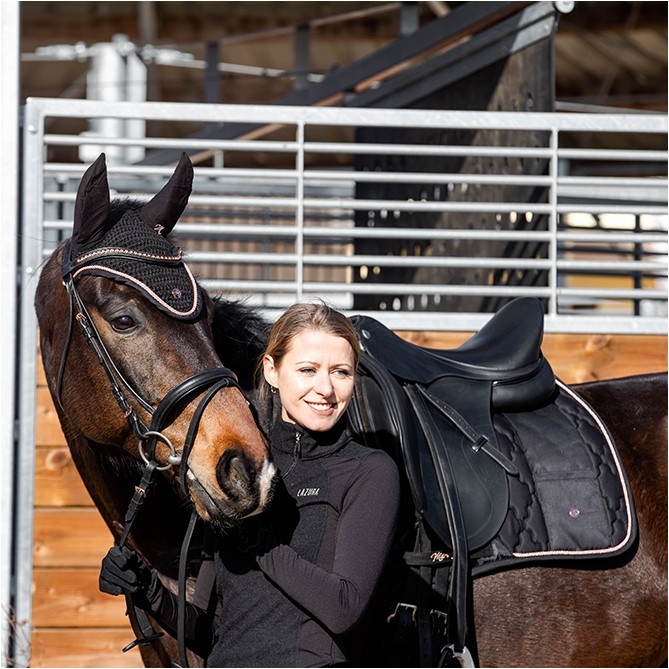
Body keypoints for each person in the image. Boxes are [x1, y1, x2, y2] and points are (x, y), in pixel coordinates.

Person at [99, 301, 401, 667]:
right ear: (272, 371)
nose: (325, 388)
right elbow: (207, 629)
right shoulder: (244, 471)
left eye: (341, 372)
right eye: (308, 370)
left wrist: (260, 545)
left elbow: (343, 608)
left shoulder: (368, 471)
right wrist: (146, 588)